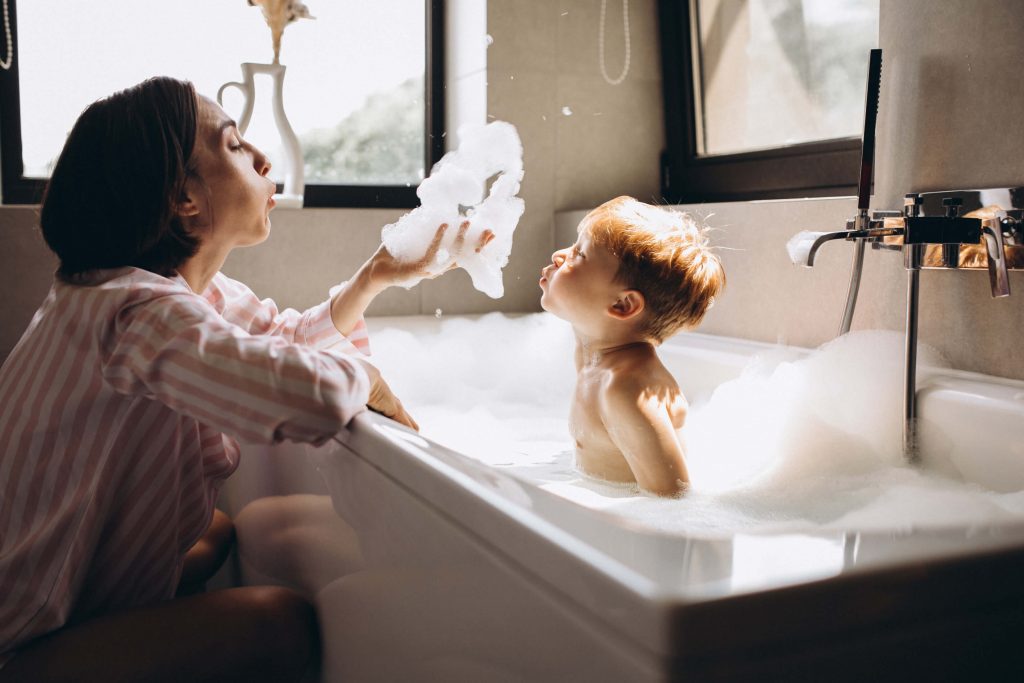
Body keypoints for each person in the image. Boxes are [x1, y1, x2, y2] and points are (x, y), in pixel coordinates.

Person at [0, 76, 491, 682]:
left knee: (216, 532)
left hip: (29, 585)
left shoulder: (152, 290)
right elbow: (298, 393)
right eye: (234, 146)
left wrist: (375, 277)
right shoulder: (136, 312)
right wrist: (365, 378)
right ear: (184, 197)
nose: (261, 156)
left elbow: (280, 340)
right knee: (280, 623)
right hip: (19, 639)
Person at [539, 196, 725, 497]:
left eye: (579, 255)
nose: (560, 255)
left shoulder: (627, 390)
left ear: (623, 304)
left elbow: (672, 497)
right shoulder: (592, 354)